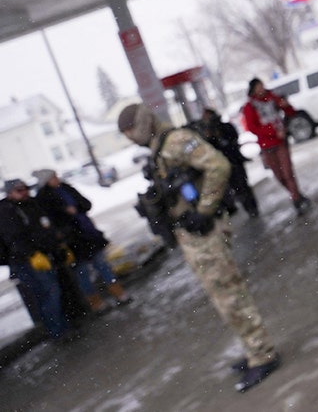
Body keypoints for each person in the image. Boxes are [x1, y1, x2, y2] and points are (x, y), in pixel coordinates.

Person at [117, 103, 281, 392]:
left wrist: (204, 210)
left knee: (229, 293)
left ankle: (262, 354)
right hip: (191, 232)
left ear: (141, 124)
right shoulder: (159, 147)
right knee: (222, 295)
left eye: (130, 131)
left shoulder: (176, 140)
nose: (130, 138)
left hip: (204, 230)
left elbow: (218, 165)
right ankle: (254, 348)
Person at [33, 168, 132, 313]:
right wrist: (65, 217)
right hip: (73, 242)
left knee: (102, 265)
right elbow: (49, 222)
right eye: (53, 177)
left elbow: (85, 203)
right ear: (46, 181)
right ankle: (96, 304)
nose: (57, 178)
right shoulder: (43, 199)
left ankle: (119, 294)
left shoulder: (65, 188)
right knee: (82, 273)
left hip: (88, 234)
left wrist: (75, 208)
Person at [0, 178, 75, 341]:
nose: (24, 192)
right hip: (27, 261)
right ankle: (57, 331)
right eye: (19, 190)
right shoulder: (7, 211)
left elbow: (45, 227)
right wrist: (31, 253)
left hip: (45, 255)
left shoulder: (31, 205)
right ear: (10, 193)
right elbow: (14, 238)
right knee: (49, 293)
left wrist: (57, 244)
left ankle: (62, 327)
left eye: (25, 188)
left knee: (53, 292)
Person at [242, 78, 311, 214]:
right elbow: (252, 127)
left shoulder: (273, 97)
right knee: (279, 176)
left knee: (288, 172)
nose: (261, 89)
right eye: (258, 87)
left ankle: (296, 200)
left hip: (280, 142)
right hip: (267, 145)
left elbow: (290, 112)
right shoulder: (250, 107)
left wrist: (286, 106)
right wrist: (272, 131)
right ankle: (296, 194)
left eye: (262, 85)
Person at [193, 108, 260, 218]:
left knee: (243, 186)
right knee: (237, 188)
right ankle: (249, 208)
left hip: (234, 160)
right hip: (224, 163)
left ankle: (252, 207)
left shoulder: (225, 127)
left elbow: (233, 138)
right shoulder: (208, 132)